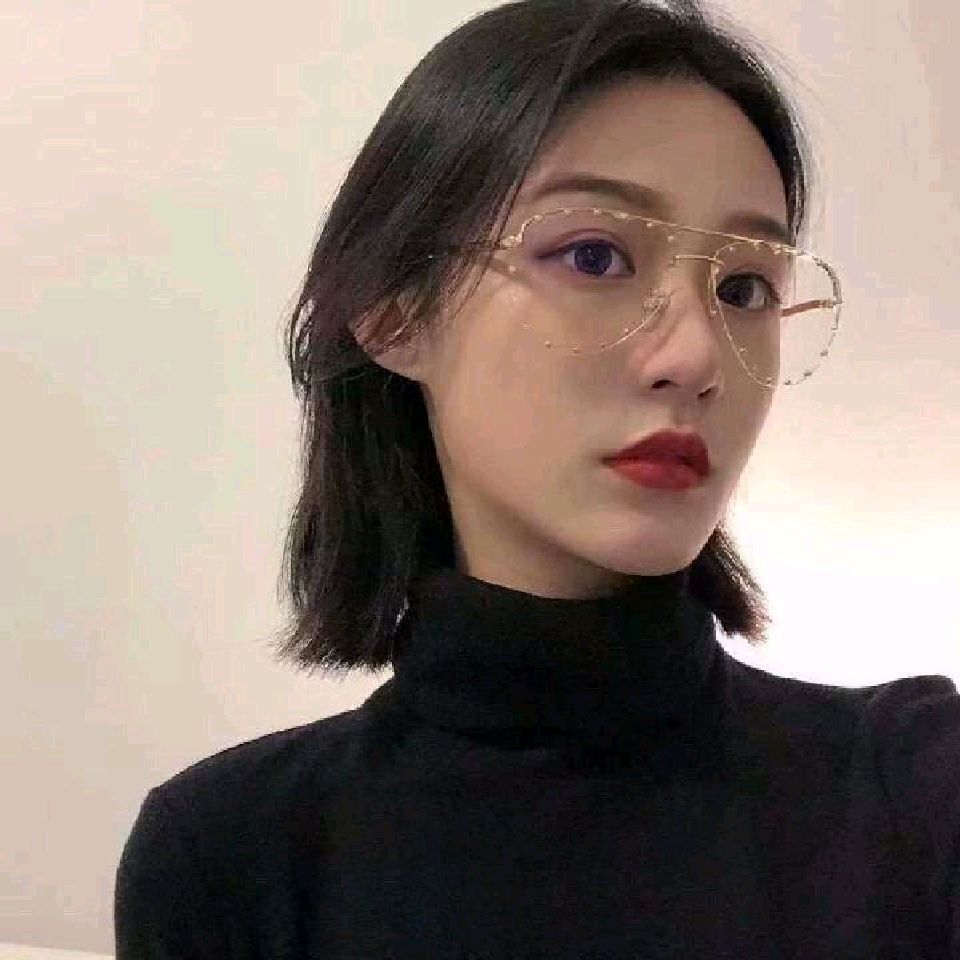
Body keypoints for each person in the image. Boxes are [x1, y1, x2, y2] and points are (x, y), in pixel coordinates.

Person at [114, 0, 959, 956]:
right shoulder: (231, 854)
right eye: (594, 256)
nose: (696, 356)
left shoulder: (916, 794)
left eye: (744, 288)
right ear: (394, 311)